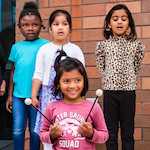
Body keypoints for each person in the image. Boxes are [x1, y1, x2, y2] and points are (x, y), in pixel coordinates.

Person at [31, 9, 85, 150]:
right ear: (50, 29)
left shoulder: (75, 50)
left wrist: (80, 97)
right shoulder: (44, 49)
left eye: (64, 24)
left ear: (70, 28)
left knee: (68, 127)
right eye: (56, 24)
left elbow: (82, 77)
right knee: (51, 128)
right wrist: (33, 95)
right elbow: (38, 74)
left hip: (70, 95)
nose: (60, 27)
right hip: (49, 96)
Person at [95, 4, 145, 150]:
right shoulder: (103, 46)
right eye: (115, 19)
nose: (119, 22)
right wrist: (109, 79)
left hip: (128, 93)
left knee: (127, 133)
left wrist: (128, 80)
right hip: (110, 93)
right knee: (111, 133)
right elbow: (101, 66)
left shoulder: (136, 46)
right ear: (109, 25)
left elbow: (136, 66)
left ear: (129, 24)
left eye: (124, 19)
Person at [5, 1, 50, 150]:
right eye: (25, 25)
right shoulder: (16, 47)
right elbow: (13, 72)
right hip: (18, 96)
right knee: (18, 130)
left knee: (34, 131)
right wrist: (10, 96)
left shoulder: (46, 45)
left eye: (34, 24)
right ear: (19, 27)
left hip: (38, 96)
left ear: (41, 25)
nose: (30, 28)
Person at [40, 56, 109, 149]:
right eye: (66, 81)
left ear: (84, 81)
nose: (72, 86)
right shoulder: (51, 107)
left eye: (78, 80)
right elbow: (42, 135)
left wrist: (91, 133)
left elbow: (104, 136)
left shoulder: (94, 107)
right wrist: (51, 135)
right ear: (58, 84)